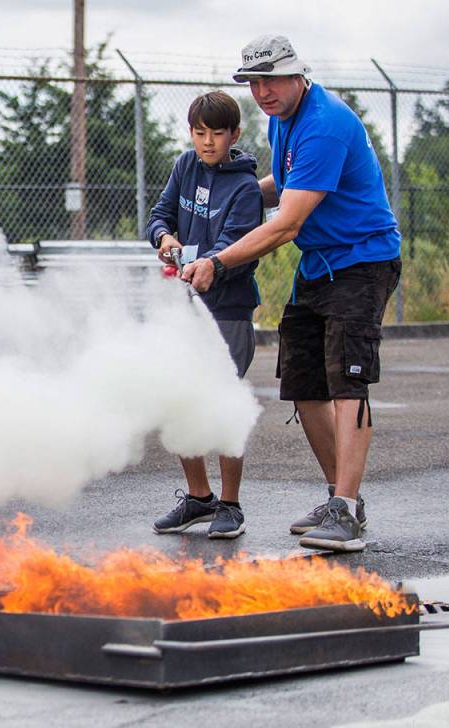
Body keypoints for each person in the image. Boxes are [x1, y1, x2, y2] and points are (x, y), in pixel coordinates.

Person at [182, 35, 402, 553]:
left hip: (363, 262)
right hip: (319, 265)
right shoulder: (285, 121)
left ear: (298, 75)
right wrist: (227, 197)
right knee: (305, 383)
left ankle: (346, 512)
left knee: (349, 382)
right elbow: (281, 185)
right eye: (254, 83)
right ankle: (339, 500)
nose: (262, 91)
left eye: (271, 80)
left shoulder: (324, 124)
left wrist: (217, 259)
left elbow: (287, 222)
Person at [147, 90, 263, 540]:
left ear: (235, 134)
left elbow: (237, 247)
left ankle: (230, 505)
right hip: (183, 308)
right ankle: (198, 498)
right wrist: (163, 238)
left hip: (228, 312)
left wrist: (209, 265)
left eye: (217, 133)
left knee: (221, 403)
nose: (208, 142)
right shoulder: (185, 166)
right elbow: (160, 214)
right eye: (200, 133)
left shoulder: (246, 188)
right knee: (179, 400)